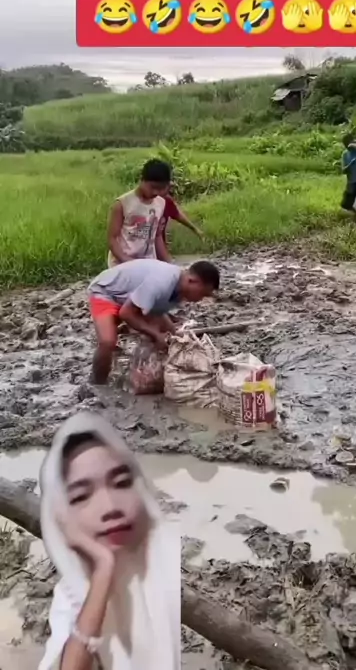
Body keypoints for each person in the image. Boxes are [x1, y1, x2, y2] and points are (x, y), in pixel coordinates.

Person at [38, 411, 180, 670]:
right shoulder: (73, 593)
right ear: (63, 517)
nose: (110, 507)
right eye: (81, 496)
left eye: (121, 483)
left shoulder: (167, 565)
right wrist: (103, 569)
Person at [88, 259, 220, 384]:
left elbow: (157, 312)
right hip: (107, 292)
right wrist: (155, 334)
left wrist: (174, 336)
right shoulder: (162, 282)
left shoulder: (178, 291)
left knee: (167, 336)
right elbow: (126, 313)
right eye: (202, 294)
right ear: (192, 280)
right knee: (107, 342)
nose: (200, 299)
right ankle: (97, 385)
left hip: (129, 298)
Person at [107, 159, 171, 268]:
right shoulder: (122, 204)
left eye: (160, 188)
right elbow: (112, 239)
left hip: (148, 263)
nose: (156, 192)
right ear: (142, 180)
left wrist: (170, 264)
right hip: (122, 264)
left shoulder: (161, 203)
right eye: (152, 187)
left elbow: (157, 236)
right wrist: (128, 261)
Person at [157, 186, 203, 262]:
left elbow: (177, 215)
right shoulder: (142, 203)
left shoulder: (166, 200)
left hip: (159, 249)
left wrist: (195, 229)